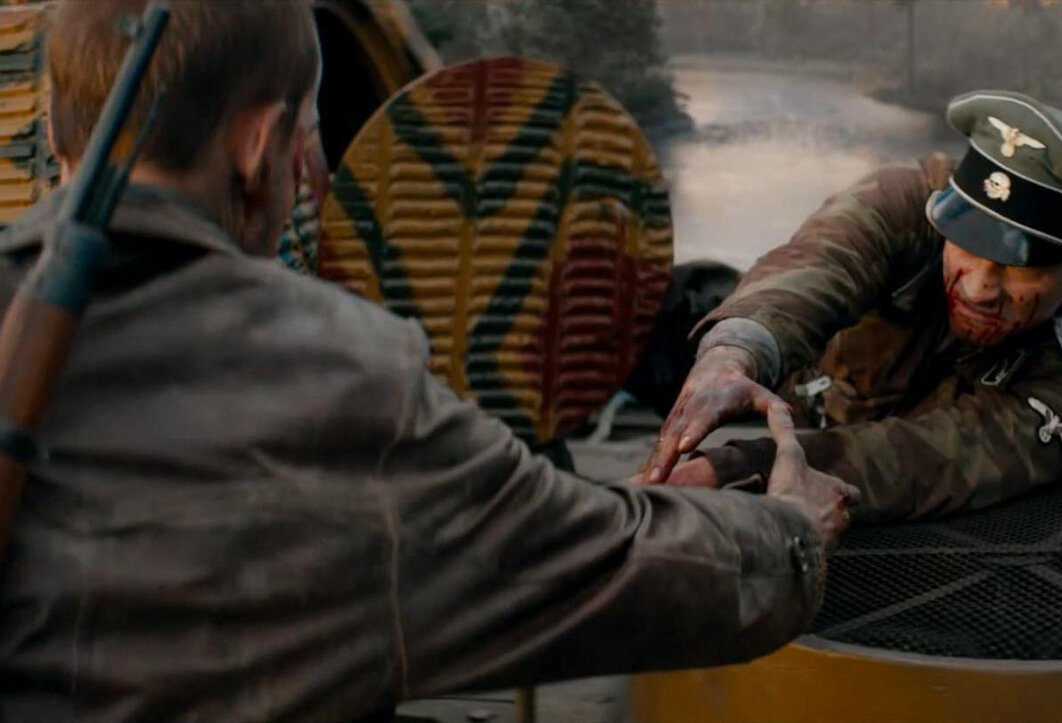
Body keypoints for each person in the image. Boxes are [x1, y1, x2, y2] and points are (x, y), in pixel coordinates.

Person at [0, 2, 859, 721]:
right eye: (306, 141)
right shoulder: (344, 377)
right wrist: (788, 531)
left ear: (50, 127)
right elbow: (591, 568)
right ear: (259, 146)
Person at [646, 90, 1062, 523]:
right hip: (775, 367)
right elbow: (819, 263)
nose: (979, 289)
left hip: (822, 437)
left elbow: (937, 457)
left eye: (1018, 267)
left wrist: (736, 470)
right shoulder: (908, 203)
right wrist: (735, 351)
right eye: (966, 246)